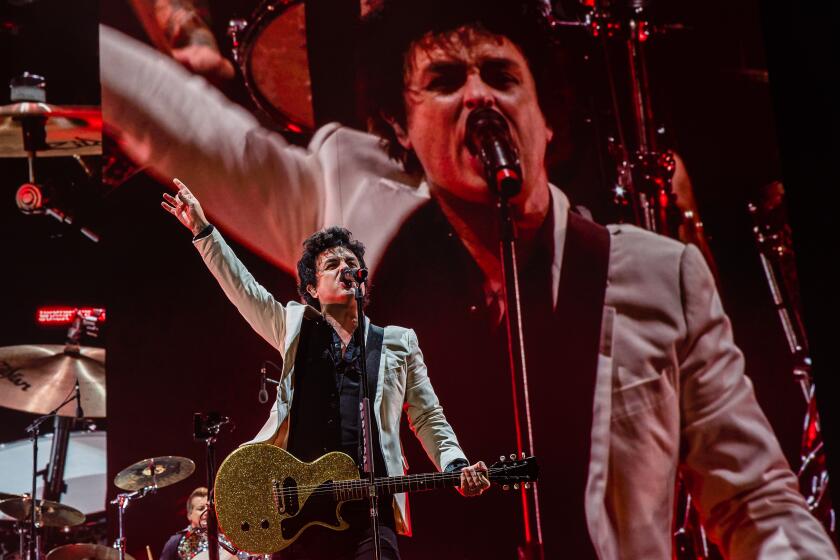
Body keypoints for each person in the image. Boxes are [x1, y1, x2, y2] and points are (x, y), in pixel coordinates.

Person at [102, 0, 837, 557]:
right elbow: (194, 131)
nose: (479, 95)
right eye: (445, 81)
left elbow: (755, 500)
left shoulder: (659, 274)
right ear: (402, 128)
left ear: (546, 117)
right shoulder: (356, 233)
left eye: (502, 75)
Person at [161, 179, 490, 559]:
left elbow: (427, 415)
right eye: (331, 265)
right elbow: (244, 289)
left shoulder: (398, 343)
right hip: (301, 511)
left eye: (352, 263)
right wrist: (204, 232)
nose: (345, 268)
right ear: (312, 289)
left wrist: (454, 463)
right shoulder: (295, 328)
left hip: (370, 509)